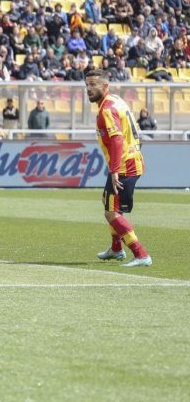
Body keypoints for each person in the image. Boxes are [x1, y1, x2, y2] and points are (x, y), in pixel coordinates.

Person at [84, 70, 152, 267]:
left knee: (112, 213)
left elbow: (117, 140)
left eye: (93, 84)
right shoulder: (115, 100)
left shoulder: (107, 109)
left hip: (123, 166)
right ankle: (116, 249)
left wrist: (114, 170)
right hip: (130, 160)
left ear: (105, 86)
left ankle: (141, 254)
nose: (89, 89)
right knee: (108, 204)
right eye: (87, 84)